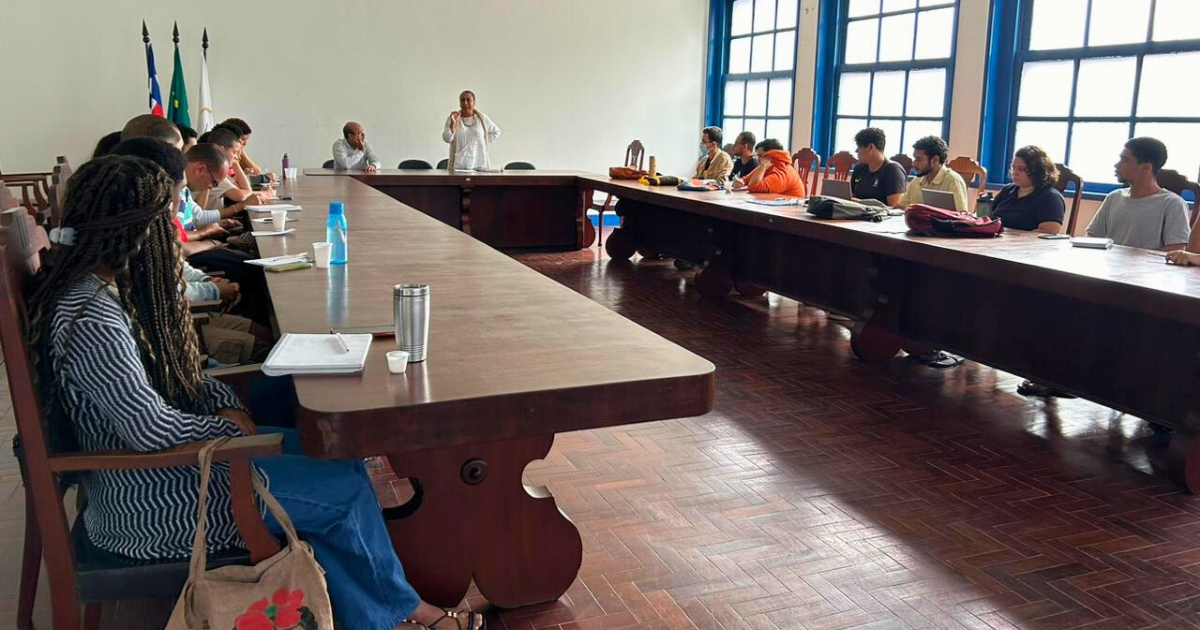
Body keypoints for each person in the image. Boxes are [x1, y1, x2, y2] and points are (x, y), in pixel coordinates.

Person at [26, 155, 485, 630]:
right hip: (153, 503)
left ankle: (372, 614)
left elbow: (173, 380)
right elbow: (149, 429)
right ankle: (413, 614)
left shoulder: (100, 291)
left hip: (181, 469)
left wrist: (224, 403)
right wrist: (226, 425)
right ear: (135, 230)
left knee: (337, 458)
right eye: (168, 216)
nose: (174, 229)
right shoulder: (91, 317)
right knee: (343, 494)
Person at [1085, 137, 1190, 251]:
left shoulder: (1173, 204)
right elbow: (1092, 237)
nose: (1117, 165)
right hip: (1110, 266)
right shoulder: (1114, 197)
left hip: (1149, 268)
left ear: (1146, 167)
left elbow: (1176, 249)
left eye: (1124, 160)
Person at [991, 146, 1065, 233]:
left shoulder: (1050, 198)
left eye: (1021, 169)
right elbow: (988, 217)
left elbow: (1048, 232)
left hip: (1026, 245)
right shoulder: (1007, 190)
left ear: (1037, 171)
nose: (1014, 173)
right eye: (1013, 168)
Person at [896, 136, 969, 212]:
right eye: (914, 159)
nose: (913, 164)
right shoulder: (916, 181)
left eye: (918, 159)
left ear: (935, 160)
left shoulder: (953, 180)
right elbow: (900, 208)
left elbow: (962, 215)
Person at [442, 91, 500, 171]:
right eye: (463, 100)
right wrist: (453, 124)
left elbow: (496, 132)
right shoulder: (453, 118)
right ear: (459, 103)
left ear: (474, 102)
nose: (465, 103)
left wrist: (480, 140)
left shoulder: (482, 118)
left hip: (479, 164)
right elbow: (447, 139)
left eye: (468, 100)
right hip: (459, 167)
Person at [850, 128, 907, 206]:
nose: (856, 151)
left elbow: (894, 207)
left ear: (871, 147)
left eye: (859, 147)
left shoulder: (892, 170)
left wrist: (861, 204)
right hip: (856, 214)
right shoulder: (859, 168)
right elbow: (851, 196)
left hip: (881, 217)